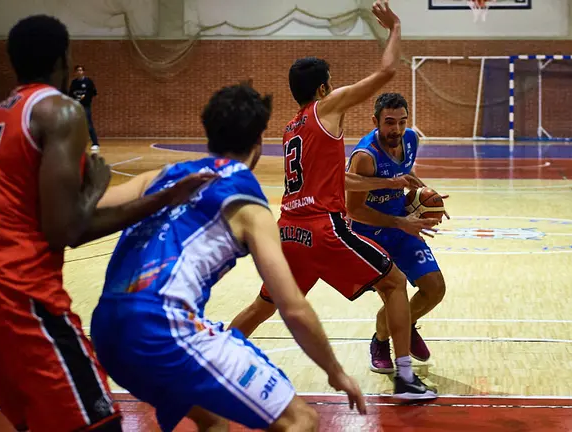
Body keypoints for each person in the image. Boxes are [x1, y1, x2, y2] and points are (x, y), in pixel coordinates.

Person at [0, 15, 213, 432]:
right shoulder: (60, 110)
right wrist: (160, 197)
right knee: (98, 424)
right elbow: (66, 229)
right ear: (63, 59)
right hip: (18, 298)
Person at [88, 83, 366, 432]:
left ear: (208, 135)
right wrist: (335, 372)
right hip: (162, 329)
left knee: (213, 419)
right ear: (258, 144)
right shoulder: (248, 203)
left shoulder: (160, 177)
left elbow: (83, 216)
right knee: (301, 420)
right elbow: (292, 306)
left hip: (105, 331)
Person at [227, 0, 439, 399]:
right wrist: (395, 27)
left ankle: (211, 362)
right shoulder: (326, 109)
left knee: (262, 305)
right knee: (393, 284)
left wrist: (392, 184)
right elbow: (387, 71)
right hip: (324, 229)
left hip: (288, 231)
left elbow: (338, 181)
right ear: (324, 87)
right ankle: (406, 378)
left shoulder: (291, 129)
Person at [346, 92, 448, 373]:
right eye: (390, 123)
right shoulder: (366, 158)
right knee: (396, 293)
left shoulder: (411, 139)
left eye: (402, 122)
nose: (397, 129)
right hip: (368, 234)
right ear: (375, 122)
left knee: (435, 288)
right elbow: (353, 210)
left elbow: (407, 172)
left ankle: (406, 325)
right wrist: (402, 223)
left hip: (399, 222)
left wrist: (427, 199)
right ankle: (381, 341)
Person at [69, 65, 100, 152]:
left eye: (81, 70)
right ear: (75, 72)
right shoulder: (74, 82)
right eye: (77, 70)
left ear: (83, 72)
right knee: (75, 124)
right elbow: (70, 94)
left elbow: (94, 93)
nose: (79, 72)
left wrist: (85, 97)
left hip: (85, 106)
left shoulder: (88, 81)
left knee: (88, 124)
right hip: (76, 106)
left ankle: (95, 143)